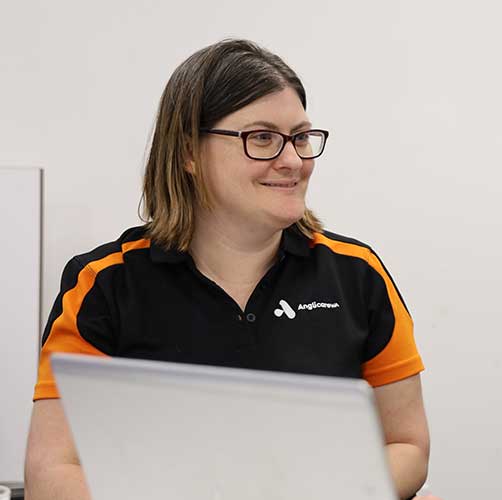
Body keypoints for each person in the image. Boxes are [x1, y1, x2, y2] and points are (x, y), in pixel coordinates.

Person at [24, 39, 433, 500]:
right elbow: (51, 474)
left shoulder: (357, 274)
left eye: (300, 137)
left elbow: (407, 445)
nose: (293, 160)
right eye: (261, 138)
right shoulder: (103, 283)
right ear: (188, 153)